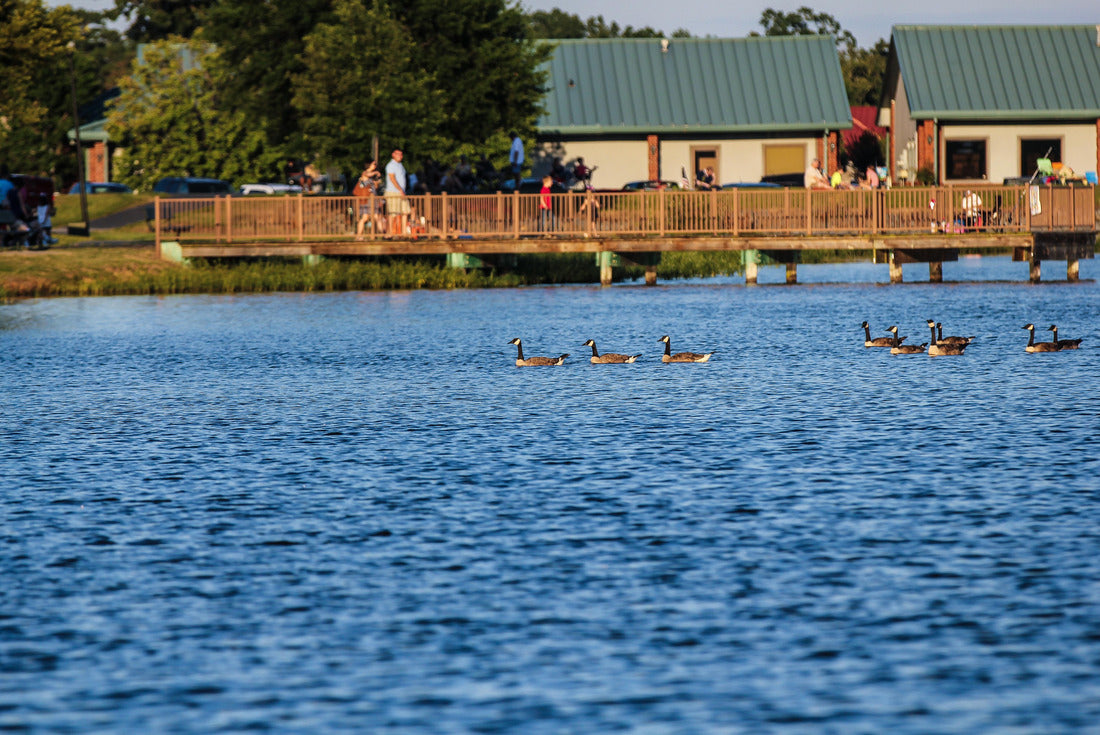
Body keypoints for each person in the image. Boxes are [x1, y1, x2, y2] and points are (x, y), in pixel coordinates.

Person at [354, 161, 383, 240]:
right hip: (367, 200)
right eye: (374, 164)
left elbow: (375, 188)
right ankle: (359, 235)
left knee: (377, 216)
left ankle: (383, 234)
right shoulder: (365, 173)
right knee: (365, 217)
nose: (375, 166)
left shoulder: (372, 176)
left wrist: (376, 182)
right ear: (369, 165)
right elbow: (366, 174)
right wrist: (376, 172)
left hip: (373, 199)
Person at [385, 149, 410, 235]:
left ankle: (403, 233)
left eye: (401, 154)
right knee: (393, 213)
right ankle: (390, 233)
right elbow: (392, 178)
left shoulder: (400, 165)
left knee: (405, 211)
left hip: (401, 192)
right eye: (398, 154)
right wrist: (400, 189)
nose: (400, 156)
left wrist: (402, 191)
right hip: (393, 192)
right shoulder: (391, 165)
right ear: (393, 154)